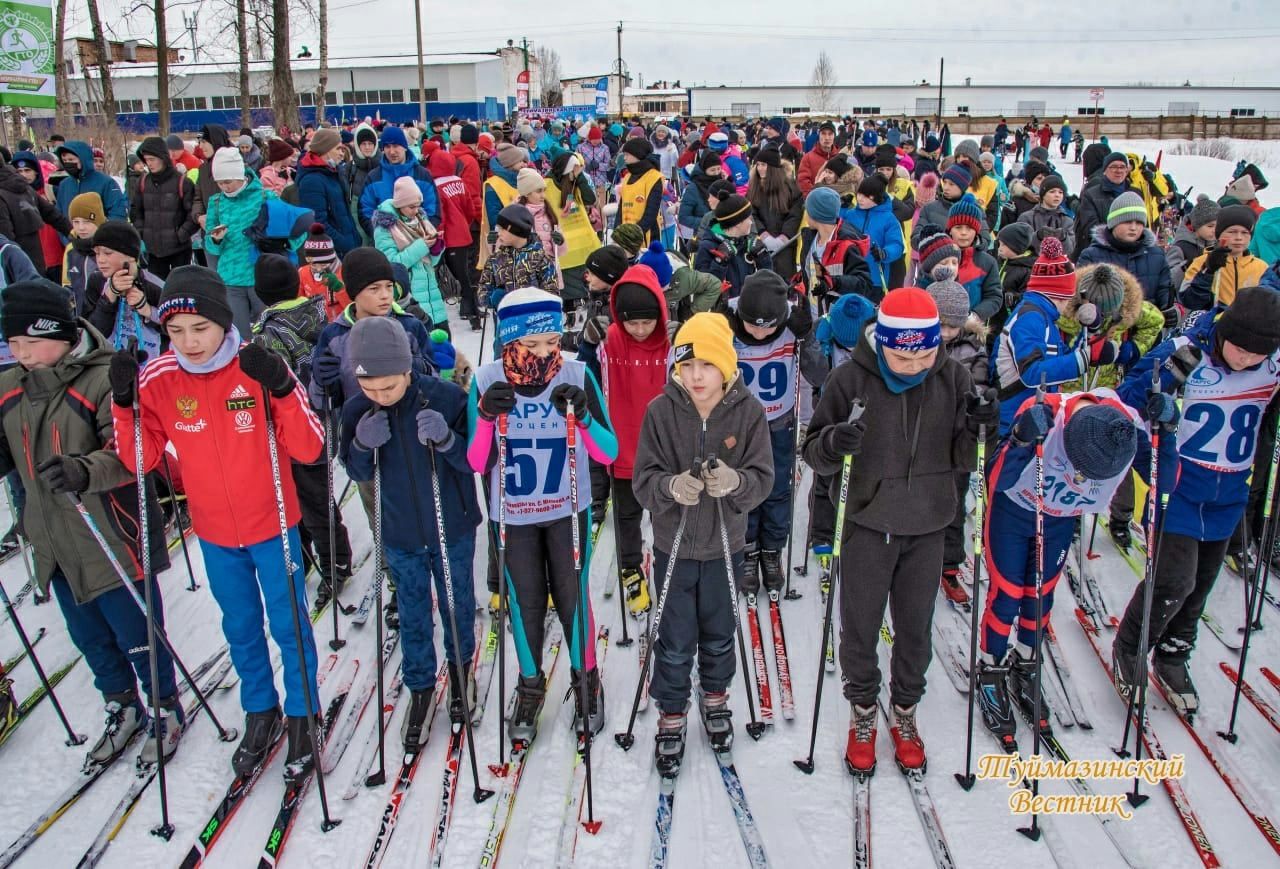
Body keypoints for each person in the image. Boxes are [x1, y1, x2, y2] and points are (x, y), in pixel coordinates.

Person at [110, 265, 326, 782]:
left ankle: (304, 712)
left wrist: (282, 387)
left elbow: (310, 447)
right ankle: (260, 709)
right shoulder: (160, 377)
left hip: (274, 523)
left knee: (289, 623)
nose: (189, 342)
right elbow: (140, 459)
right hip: (215, 533)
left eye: (200, 328)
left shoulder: (256, 365)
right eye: (176, 331)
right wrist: (124, 406)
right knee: (241, 625)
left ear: (223, 322)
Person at [804, 287, 994, 775]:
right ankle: (864, 710)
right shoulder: (849, 379)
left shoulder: (953, 378)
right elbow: (813, 453)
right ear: (883, 342)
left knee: (914, 630)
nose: (913, 365)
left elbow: (967, 458)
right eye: (902, 355)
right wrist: (834, 441)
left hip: (928, 525)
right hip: (867, 523)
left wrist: (981, 430)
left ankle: (905, 710)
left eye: (924, 355)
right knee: (860, 627)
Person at [0, 279, 180, 762]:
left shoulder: (103, 378)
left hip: (110, 535)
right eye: (12, 342)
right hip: (54, 542)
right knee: (90, 638)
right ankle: (121, 704)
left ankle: (164, 705)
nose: (21, 352)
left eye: (29, 341)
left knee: (137, 633)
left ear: (58, 333)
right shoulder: (9, 386)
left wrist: (83, 470)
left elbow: (131, 455)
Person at [1111, 287, 1280, 714]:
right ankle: (1130, 646)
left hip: (1230, 491)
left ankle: (1173, 653)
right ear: (1225, 332)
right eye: (1239, 348)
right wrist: (1166, 382)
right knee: (1174, 582)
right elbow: (1126, 402)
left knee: (1201, 585)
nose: (1245, 359)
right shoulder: (1187, 350)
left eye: (1256, 354)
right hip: (1180, 489)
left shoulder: (1273, 364)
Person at [468, 287, 618, 742]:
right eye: (531, 344)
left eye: (552, 341)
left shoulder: (575, 373)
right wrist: (486, 417)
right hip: (513, 514)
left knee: (573, 598)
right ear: (509, 340)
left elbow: (608, 453)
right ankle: (530, 686)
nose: (544, 353)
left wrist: (585, 418)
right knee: (524, 603)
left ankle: (586, 680)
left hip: (567, 509)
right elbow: (476, 462)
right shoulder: (486, 379)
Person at [631, 312, 773, 776]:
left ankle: (715, 696)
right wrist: (670, 487)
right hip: (673, 547)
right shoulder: (660, 411)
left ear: (726, 366)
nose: (696, 376)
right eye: (687, 365)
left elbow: (763, 477)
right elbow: (643, 479)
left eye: (707, 365)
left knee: (719, 631)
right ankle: (672, 711)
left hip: (725, 548)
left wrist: (735, 482)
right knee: (674, 638)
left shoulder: (748, 413)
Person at [977, 390, 1162, 744]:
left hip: (1059, 520)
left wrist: (1165, 435)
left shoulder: (1125, 427)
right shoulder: (1045, 411)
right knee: (1007, 594)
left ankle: (1026, 662)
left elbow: (1164, 477)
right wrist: (1019, 441)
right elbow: (996, 479)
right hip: (1014, 513)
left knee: (1040, 595)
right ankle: (990, 668)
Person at [339, 315, 480, 740]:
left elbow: (476, 461)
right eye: (370, 388)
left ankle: (461, 673)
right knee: (413, 612)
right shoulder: (358, 409)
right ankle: (420, 687)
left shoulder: (445, 397)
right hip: (400, 534)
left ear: (407, 368)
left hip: (451, 526)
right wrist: (361, 443)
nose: (380, 396)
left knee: (456, 604)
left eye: (389, 386)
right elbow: (355, 468)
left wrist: (448, 439)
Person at [251, 254, 353, 598]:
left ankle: (334, 561)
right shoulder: (319, 313)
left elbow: (273, 387)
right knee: (312, 494)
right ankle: (316, 556)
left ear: (259, 293)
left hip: (295, 430)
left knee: (305, 498)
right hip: (325, 420)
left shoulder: (268, 333)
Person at [728, 270, 823, 593]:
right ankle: (748, 549)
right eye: (752, 325)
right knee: (744, 489)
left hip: (779, 423)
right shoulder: (730, 318)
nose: (758, 332)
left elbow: (820, 374)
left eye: (767, 327)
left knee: (777, 490)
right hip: (739, 425)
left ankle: (772, 551)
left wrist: (806, 337)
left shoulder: (792, 323)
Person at [598, 264, 670, 614]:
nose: (640, 330)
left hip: (662, 453)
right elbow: (584, 372)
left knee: (664, 515)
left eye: (647, 322)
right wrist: (588, 343)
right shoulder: (609, 338)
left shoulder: (671, 342)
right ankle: (630, 567)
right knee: (627, 516)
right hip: (623, 450)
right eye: (632, 323)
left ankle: (667, 562)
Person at [990, 237, 1103, 438]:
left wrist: (1090, 333)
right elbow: (1031, 372)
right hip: (1013, 421)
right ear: (1060, 295)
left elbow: (1062, 358)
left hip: (1032, 416)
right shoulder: (1030, 318)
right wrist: (1083, 359)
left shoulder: (1044, 317)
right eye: (1069, 298)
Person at [927, 277, 991, 607]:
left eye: (952, 326)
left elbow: (978, 387)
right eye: (940, 325)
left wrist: (977, 410)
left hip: (955, 438)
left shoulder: (973, 349)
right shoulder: (918, 343)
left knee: (954, 503)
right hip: (925, 437)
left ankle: (949, 564)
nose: (945, 333)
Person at [203, 147, 305, 335]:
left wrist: (282, 244)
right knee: (238, 336)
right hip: (230, 277)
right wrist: (215, 240)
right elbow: (210, 246)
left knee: (269, 332)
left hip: (262, 276)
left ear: (240, 176)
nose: (224, 187)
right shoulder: (216, 202)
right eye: (219, 183)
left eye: (228, 182)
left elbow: (298, 229)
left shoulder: (265, 197)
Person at [1077, 192, 1176, 317]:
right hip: (1105, 326)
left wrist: (1171, 313)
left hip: (1149, 325)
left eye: (1139, 222)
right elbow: (1080, 298)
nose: (1133, 228)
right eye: (1127, 221)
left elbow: (1166, 294)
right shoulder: (1091, 256)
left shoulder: (1157, 256)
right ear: (1114, 223)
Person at [373, 176, 449, 331]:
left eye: (418, 206)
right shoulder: (385, 228)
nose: (416, 211)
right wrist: (422, 246)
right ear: (400, 205)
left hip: (433, 296)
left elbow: (431, 263)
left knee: (444, 341)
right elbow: (392, 264)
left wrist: (436, 249)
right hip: (411, 301)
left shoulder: (421, 220)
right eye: (411, 207)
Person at [82, 221, 165, 362]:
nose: (100, 260)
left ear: (131, 255)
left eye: (107, 253)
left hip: (148, 363)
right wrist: (109, 296)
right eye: (97, 253)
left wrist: (147, 310)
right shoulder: (97, 281)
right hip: (107, 363)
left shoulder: (155, 286)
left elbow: (174, 328)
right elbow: (90, 333)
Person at [425, 146, 480, 330]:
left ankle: (462, 312)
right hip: (462, 234)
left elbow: (439, 214)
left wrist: (438, 233)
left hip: (446, 237)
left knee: (440, 276)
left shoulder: (436, 187)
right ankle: (473, 313)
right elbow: (470, 208)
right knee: (464, 276)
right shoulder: (460, 182)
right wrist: (465, 223)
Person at [544, 152, 601, 318]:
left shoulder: (576, 184)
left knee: (589, 287)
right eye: (574, 169)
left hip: (585, 247)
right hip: (565, 250)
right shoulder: (547, 185)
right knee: (569, 292)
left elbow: (590, 199)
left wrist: (580, 177)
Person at [1178, 205, 1268, 310]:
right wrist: (1207, 271)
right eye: (1232, 232)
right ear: (1219, 234)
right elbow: (1189, 302)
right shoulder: (1201, 262)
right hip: (1213, 320)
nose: (1239, 238)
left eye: (1245, 232)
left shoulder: (1261, 267)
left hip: (1250, 320)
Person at [796, 187, 875, 306]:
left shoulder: (846, 246)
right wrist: (800, 279)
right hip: (812, 312)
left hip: (835, 314)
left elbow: (864, 284)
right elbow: (813, 273)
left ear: (817, 214)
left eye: (807, 210)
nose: (805, 214)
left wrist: (834, 283)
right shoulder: (810, 239)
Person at [131, 136, 197, 279]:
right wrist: (142, 233)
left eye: (152, 159)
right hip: (153, 250)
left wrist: (181, 234)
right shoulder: (143, 182)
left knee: (180, 286)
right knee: (157, 288)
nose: (149, 164)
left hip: (179, 249)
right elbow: (136, 211)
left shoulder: (182, 182)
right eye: (146, 160)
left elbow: (193, 213)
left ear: (163, 157)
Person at [358, 125, 440, 239]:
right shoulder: (374, 177)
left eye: (396, 145)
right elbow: (365, 212)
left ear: (405, 147)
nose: (392, 151)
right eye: (387, 146)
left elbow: (433, 209)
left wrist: (421, 234)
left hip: (419, 241)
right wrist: (382, 236)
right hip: (386, 244)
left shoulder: (422, 175)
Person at [296, 128, 360, 259]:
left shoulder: (333, 173)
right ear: (325, 149)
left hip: (346, 247)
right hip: (333, 253)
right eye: (338, 149)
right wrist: (344, 244)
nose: (342, 153)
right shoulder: (312, 181)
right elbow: (317, 223)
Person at [694, 195, 771, 302]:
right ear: (738, 223)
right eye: (748, 218)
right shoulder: (708, 246)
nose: (751, 222)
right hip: (722, 309)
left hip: (747, 306)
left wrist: (764, 260)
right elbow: (702, 289)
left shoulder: (746, 242)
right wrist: (719, 262)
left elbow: (768, 282)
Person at [745, 147, 804, 280]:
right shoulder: (754, 187)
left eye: (763, 165)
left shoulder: (790, 187)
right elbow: (751, 213)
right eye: (758, 165)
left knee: (784, 279)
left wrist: (785, 236)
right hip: (761, 243)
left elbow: (795, 214)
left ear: (772, 167)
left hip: (785, 245)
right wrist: (763, 234)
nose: (760, 168)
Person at [846, 175, 904, 297]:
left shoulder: (889, 219)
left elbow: (896, 244)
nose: (860, 199)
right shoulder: (849, 215)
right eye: (859, 194)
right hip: (849, 276)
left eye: (867, 196)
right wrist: (841, 207)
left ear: (877, 197)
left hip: (875, 278)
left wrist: (884, 253)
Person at [1074, 153, 1135, 259]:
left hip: (1131, 252)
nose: (1118, 170)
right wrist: (1118, 238)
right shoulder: (1091, 195)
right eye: (1113, 167)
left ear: (1126, 170)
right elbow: (1091, 228)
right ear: (1105, 171)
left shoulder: (1135, 194)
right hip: (1101, 253)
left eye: (1122, 167)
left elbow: (1142, 224)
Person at [53, 140, 127, 221]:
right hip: (70, 229)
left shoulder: (106, 182)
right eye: (65, 160)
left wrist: (104, 228)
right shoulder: (64, 185)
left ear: (83, 159)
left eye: (71, 160)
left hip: (100, 228)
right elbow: (59, 215)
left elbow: (118, 212)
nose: (67, 163)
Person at [617, 138, 666, 247]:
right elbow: (621, 207)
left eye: (627, 154)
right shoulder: (627, 176)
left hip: (647, 235)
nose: (624, 158)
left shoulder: (654, 177)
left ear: (637, 155)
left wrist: (633, 235)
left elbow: (651, 213)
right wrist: (618, 230)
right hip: (626, 234)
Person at [62, 192, 104, 314]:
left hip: (106, 315)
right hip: (80, 316)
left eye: (86, 221)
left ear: (98, 221)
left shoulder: (110, 247)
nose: (81, 227)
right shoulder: (71, 250)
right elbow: (67, 284)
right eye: (76, 222)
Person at [1165, 194, 1219, 288]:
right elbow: (1168, 280)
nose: (1214, 230)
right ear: (1197, 225)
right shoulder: (1180, 247)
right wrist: (1185, 266)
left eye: (1218, 226)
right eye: (1210, 226)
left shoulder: (1217, 246)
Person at [297, 223, 349, 321]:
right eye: (313, 265)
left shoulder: (344, 273)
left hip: (340, 324)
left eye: (324, 265)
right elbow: (298, 304)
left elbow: (353, 308)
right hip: (314, 325)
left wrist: (340, 289)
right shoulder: (303, 272)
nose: (318, 269)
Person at [1016, 173, 1075, 259]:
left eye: (1060, 192)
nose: (1057, 195)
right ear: (1043, 195)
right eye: (1052, 191)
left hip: (1058, 266)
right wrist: (1037, 236)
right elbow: (1019, 245)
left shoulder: (1067, 220)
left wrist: (1064, 238)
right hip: (1031, 265)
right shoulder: (1026, 217)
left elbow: (1070, 250)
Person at [798, 121, 838, 195]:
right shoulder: (808, 158)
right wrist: (814, 197)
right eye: (823, 133)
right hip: (815, 199)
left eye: (830, 134)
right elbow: (803, 181)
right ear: (819, 135)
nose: (827, 138)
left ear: (834, 136)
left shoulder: (839, 157)